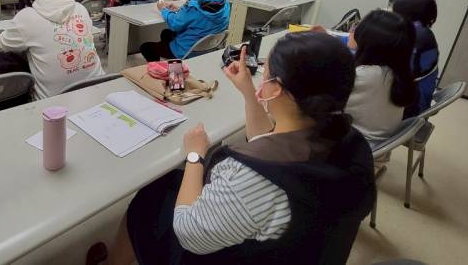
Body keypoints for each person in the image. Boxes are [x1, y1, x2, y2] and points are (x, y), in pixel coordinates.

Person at [96, 32, 374, 265]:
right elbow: (269, 144)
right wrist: (248, 92)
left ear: (276, 88)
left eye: (266, 73)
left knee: (151, 196)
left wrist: (195, 155)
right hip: (301, 248)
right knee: (171, 183)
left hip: (218, 251)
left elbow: (187, 232)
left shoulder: (253, 178)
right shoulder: (350, 143)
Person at [0, 0, 104, 98]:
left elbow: (3, 45)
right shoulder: (80, 8)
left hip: (53, 104)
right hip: (98, 91)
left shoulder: (27, 17)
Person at [345, 10, 417, 144]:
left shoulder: (365, 76)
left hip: (355, 145)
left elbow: (325, 100)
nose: (352, 31)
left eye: (356, 28)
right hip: (378, 142)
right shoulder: (397, 71)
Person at [140, 0, 230, 62]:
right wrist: (181, 10)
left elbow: (174, 23)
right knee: (166, 33)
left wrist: (163, 9)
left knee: (146, 47)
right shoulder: (225, 4)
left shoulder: (194, 7)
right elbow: (200, 17)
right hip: (208, 49)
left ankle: (159, 68)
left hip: (186, 51)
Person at [388, 0, 439, 118]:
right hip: (407, 97)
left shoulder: (417, 37)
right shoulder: (419, 31)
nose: (388, 12)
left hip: (408, 109)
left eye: (391, 8)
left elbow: (389, 71)